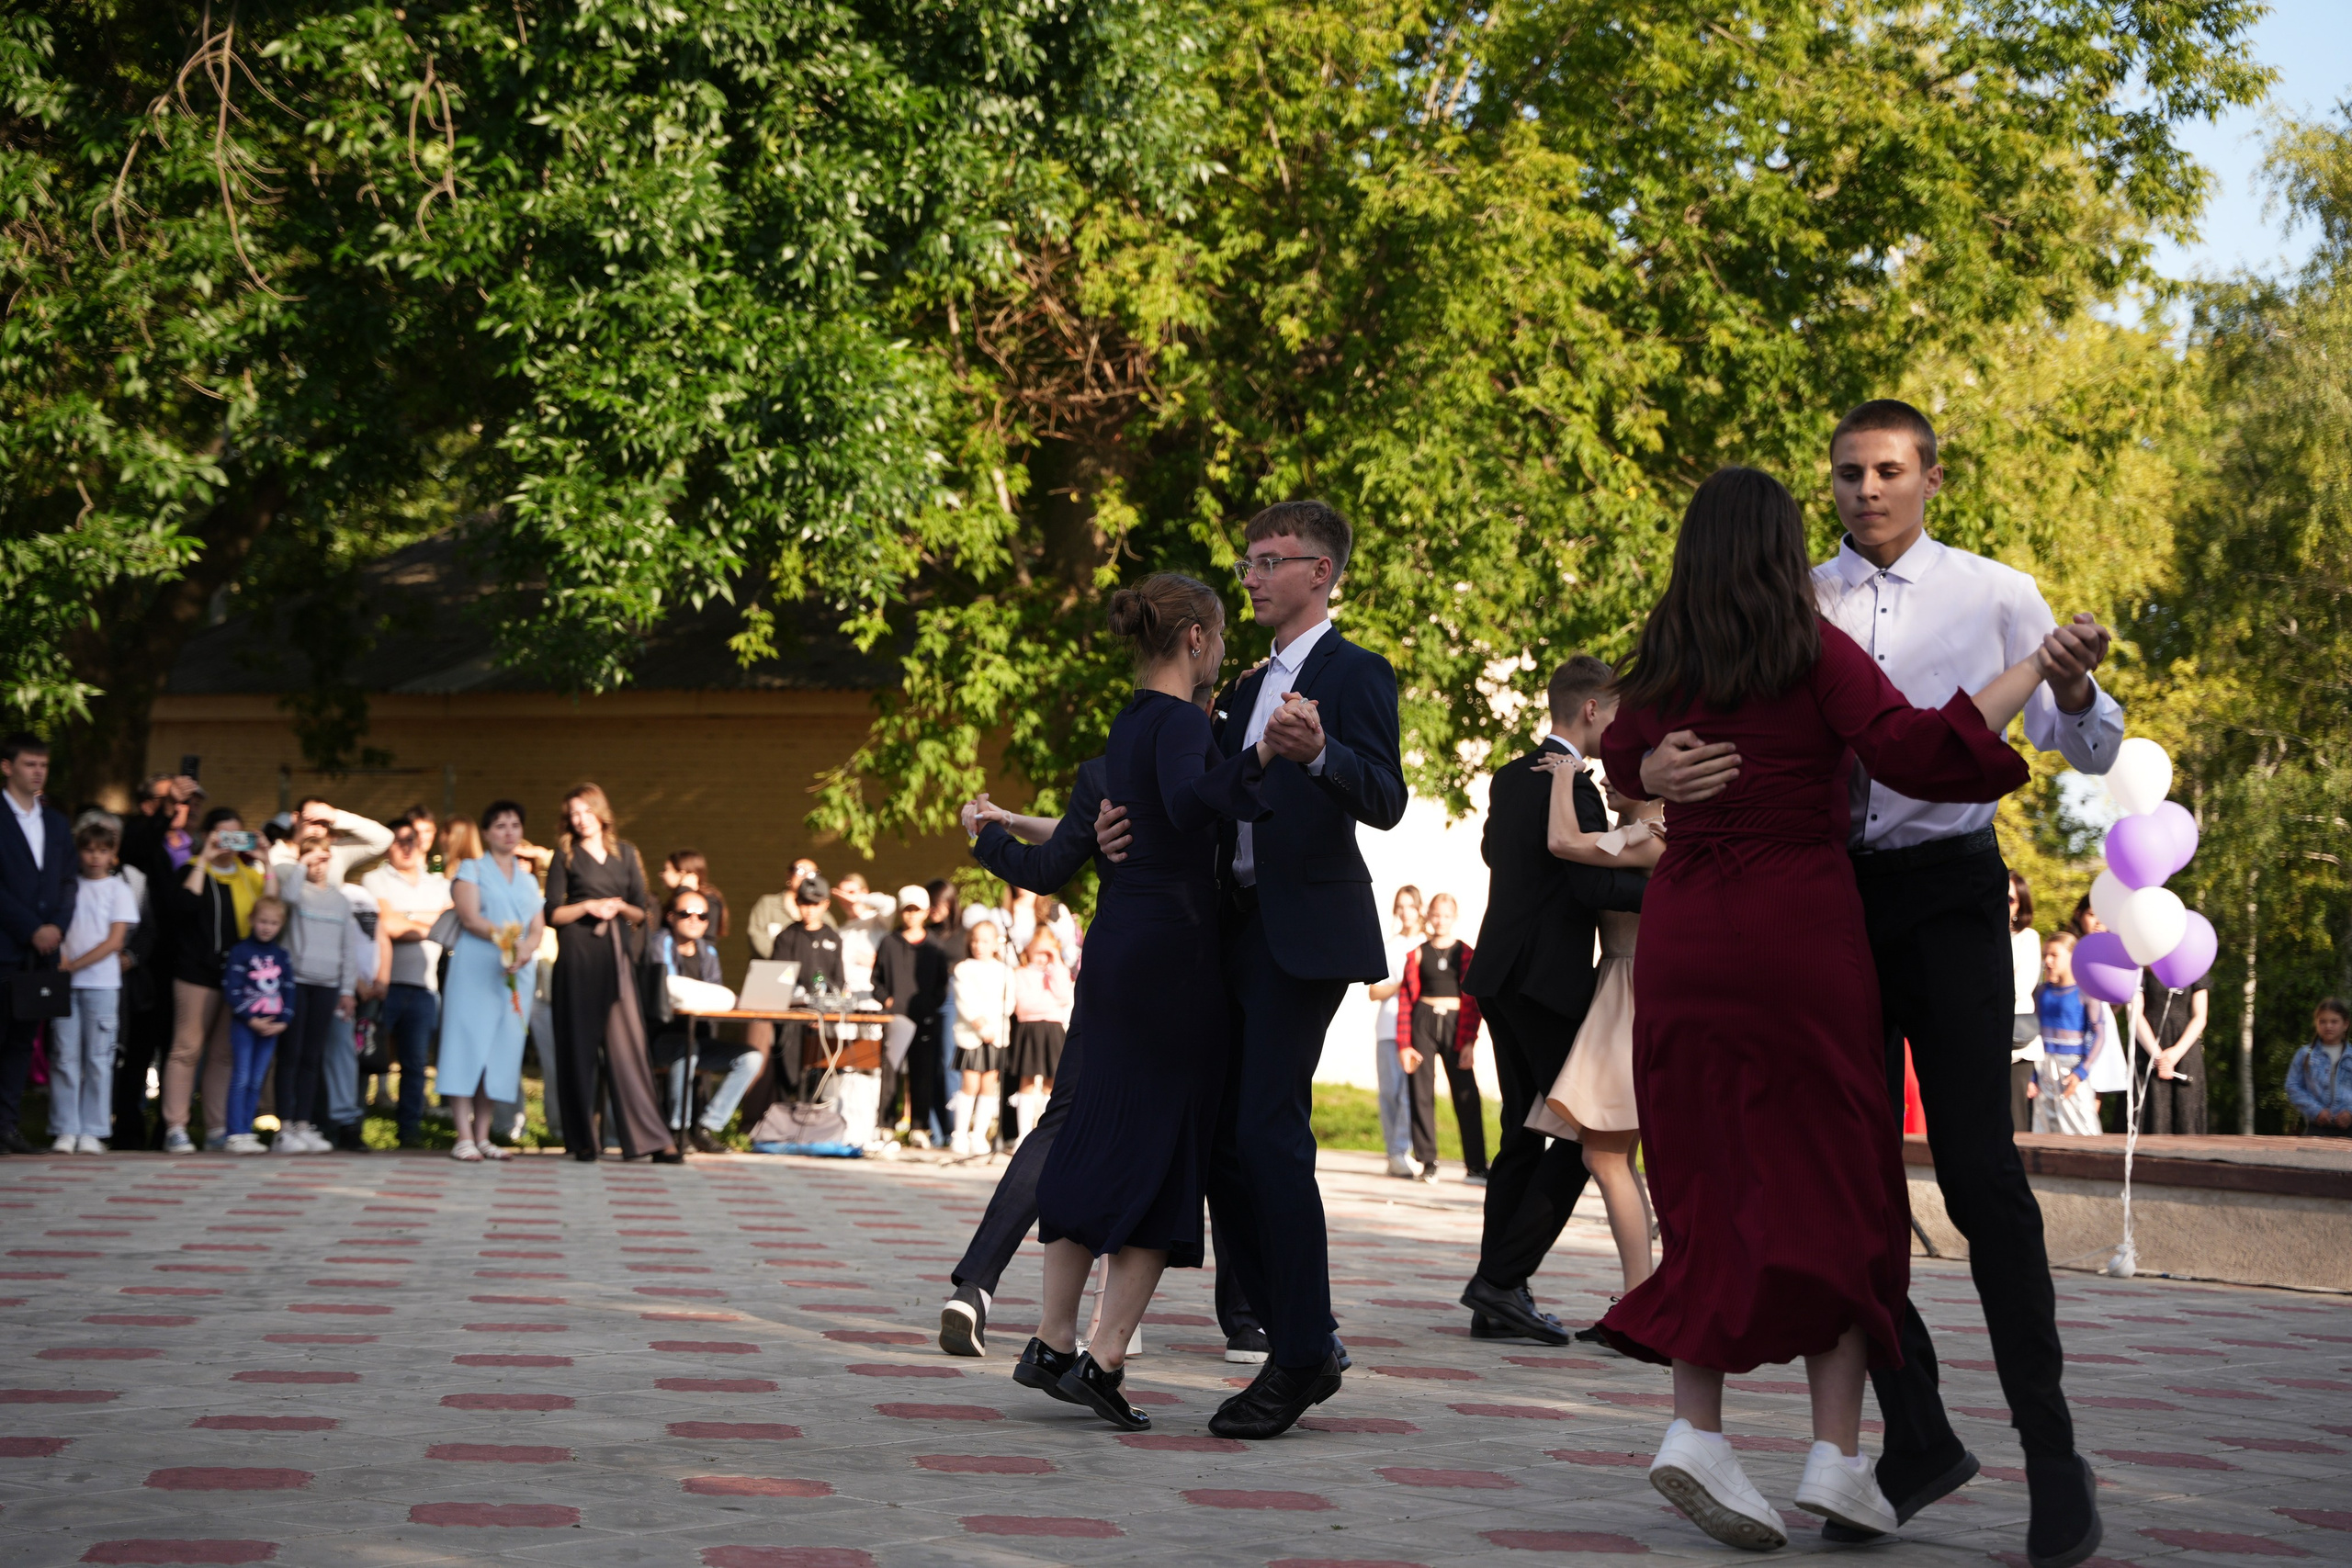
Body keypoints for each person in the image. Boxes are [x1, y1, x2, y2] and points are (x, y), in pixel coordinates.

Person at [1643, 408, 2119, 1567]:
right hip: (1823, 902)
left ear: (1929, 479)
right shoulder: (1782, 597)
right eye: (1849, 474)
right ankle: (1909, 1440)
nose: (1868, 491)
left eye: (1889, 472)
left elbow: (2090, 749)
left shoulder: (1999, 593)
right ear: (1829, 485)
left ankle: (2050, 1459)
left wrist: (2067, 683)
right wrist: (1644, 768)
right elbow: (1663, 718)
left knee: (1977, 1177)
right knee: (1838, 1182)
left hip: (1950, 896)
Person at [1077, 502, 1402, 1442]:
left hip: (1302, 931)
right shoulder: (1248, 682)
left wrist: (1324, 752)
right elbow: (1199, 800)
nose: (1251, 577)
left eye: (1270, 561)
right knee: (1227, 1141)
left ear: (1321, 574)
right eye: (1248, 561)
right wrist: (1099, 831)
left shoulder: (1357, 673)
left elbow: (1384, 796)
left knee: (1265, 1131)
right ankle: (1300, 1335)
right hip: (1228, 928)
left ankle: (1302, 1349)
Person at [1014, 571, 1267, 1432]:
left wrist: (985, 835)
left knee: (1094, 1132)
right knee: (1166, 1148)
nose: (1225, 653)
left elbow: (1080, 850)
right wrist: (1264, 760)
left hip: (1120, 947)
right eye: (1222, 638)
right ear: (1196, 639)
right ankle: (1104, 1356)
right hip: (1174, 955)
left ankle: (1051, 1339)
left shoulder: (1128, 721)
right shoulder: (1178, 722)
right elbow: (1194, 804)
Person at [1459, 655, 1647, 1345]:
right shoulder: (1579, 790)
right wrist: (1675, 888)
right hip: (1549, 984)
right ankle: (1502, 1280)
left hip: (1500, 976)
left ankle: (1494, 1295)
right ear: (1592, 709)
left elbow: (1491, 852)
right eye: (1619, 713)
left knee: (1520, 1132)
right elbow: (1593, 889)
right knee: (1579, 1137)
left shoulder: (1511, 775)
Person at [1524, 752, 1667, 1324]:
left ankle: (1643, 1300)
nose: (1605, 777)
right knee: (1612, 1154)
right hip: (1622, 987)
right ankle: (1643, 1295)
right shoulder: (1642, 834)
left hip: (1634, 992)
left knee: (1606, 1153)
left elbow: (1562, 841)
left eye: (1621, 767)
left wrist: (1564, 774)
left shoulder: (1654, 836)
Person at [546, 784, 671, 1161]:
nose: (580, 820)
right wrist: (589, 906)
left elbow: (642, 912)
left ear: (601, 812)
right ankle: (584, 1139)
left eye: (586, 811)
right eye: (574, 814)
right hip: (577, 957)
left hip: (616, 957)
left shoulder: (627, 854)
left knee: (628, 1047)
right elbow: (552, 913)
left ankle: (649, 1140)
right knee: (578, 1048)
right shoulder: (564, 856)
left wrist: (616, 908)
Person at [161, 808, 267, 1153]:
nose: (229, 845)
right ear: (207, 836)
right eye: (222, 836)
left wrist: (265, 859)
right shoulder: (191, 870)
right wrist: (204, 860)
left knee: (224, 1054)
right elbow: (182, 908)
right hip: (196, 972)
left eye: (237, 836)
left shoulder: (248, 875)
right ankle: (175, 1126)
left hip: (236, 976)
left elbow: (271, 909)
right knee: (186, 1049)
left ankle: (216, 1127)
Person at [442, 800, 543, 1162]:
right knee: (466, 1043)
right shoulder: (472, 868)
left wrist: (526, 950)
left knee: (498, 1049)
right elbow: (470, 918)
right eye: (500, 825)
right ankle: (463, 1135)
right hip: (477, 966)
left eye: (515, 825)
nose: (509, 832)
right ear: (486, 833)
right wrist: (509, 942)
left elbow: (537, 926)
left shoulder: (529, 878)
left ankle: (484, 1136)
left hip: (516, 971)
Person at [0, 732, 74, 1154]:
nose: (38, 772)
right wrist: (31, 926)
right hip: (6, 945)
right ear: (7, 767)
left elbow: (67, 882)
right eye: (30, 764)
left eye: (43, 765)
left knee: (21, 1041)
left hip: (41, 954)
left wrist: (56, 927)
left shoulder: (56, 823)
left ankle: (7, 1125)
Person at [50, 819, 139, 1153]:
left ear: (113, 854)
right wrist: (62, 961)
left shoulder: (119, 889)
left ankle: (94, 1129)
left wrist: (73, 964)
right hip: (66, 984)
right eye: (88, 850)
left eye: (103, 850)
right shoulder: (68, 886)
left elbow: (115, 941)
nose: (95, 857)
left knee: (99, 1057)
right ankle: (65, 1127)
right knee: (64, 1055)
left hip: (101, 984)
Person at [268, 827, 359, 1154]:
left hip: (327, 985)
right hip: (296, 982)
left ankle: (304, 1124)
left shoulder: (340, 901)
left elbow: (349, 949)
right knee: (290, 1054)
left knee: (312, 1056)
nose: (320, 866)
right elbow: (288, 895)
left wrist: (347, 990)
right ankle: (285, 1127)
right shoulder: (297, 890)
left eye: (325, 859)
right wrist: (302, 863)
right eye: (313, 859)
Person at [361, 820, 451, 1149]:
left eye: (412, 840)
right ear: (389, 846)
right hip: (383, 984)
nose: (406, 846)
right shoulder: (374, 878)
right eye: (399, 841)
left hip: (424, 987)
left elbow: (447, 924)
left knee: (415, 1065)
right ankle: (352, 1127)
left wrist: (406, 917)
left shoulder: (440, 883)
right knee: (367, 1059)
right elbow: (386, 924)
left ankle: (409, 1133)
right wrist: (428, 920)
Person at [1395, 892, 1485, 1183]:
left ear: (1454, 918)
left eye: (1446, 915)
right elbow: (1407, 1001)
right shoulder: (1418, 953)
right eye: (1435, 914)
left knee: (1466, 1093)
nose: (1440, 920)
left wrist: (1470, 1040)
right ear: (1428, 915)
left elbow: (1473, 999)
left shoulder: (1466, 953)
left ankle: (1476, 1166)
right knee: (1420, 1092)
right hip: (1423, 1020)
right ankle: (1428, 1162)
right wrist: (1404, 1044)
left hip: (1457, 1024)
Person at [873, 886, 949, 1145]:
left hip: (925, 1018)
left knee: (922, 1072)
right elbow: (877, 981)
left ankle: (919, 1127)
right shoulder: (889, 943)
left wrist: (930, 1004)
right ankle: (886, 1124)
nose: (911, 915)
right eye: (907, 909)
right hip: (895, 1017)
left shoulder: (935, 947)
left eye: (916, 910)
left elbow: (943, 984)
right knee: (890, 1070)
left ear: (926, 912)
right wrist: (887, 1000)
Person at [220, 897, 293, 1155]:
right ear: (252, 920)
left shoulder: (281, 955)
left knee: (257, 1079)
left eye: (273, 923)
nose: (267, 927)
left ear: (281, 925)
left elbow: (288, 989)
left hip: (272, 1027)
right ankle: (233, 1133)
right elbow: (231, 989)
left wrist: (283, 1022)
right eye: (263, 921)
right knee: (241, 1077)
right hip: (245, 1025)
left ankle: (246, 1131)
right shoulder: (240, 951)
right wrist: (250, 1018)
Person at [1365, 886, 1424, 1179]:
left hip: (1418, 1029)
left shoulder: (1427, 944)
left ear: (1419, 908)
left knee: (1410, 1095)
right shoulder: (1389, 946)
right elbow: (1374, 991)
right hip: (1389, 1028)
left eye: (1409, 906)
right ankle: (1394, 1153)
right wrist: (1404, 985)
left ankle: (1404, 1151)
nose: (1404, 912)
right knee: (1390, 1093)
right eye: (1399, 906)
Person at [949, 919, 1014, 1156]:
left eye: (985, 941)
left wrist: (993, 1027)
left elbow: (1009, 1002)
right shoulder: (964, 968)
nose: (978, 945)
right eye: (975, 940)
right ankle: (960, 1134)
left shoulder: (1005, 970)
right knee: (970, 1084)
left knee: (989, 1085)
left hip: (995, 1035)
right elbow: (964, 1000)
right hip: (972, 1034)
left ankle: (979, 1136)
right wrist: (980, 1024)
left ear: (995, 944)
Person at [2031, 933, 2107, 1136]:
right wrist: (2033, 1075)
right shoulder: (2040, 992)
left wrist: (2083, 1070)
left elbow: (2099, 1034)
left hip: (2072, 1068)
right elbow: (2034, 1032)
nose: (2048, 960)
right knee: (2046, 1124)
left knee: (2082, 1124)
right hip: (2044, 1066)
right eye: (2045, 955)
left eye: (2054, 955)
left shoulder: (2085, 991)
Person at [1007, 931, 1073, 1147]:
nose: (1042, 957)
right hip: (1029, 1029)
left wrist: (1057, 962)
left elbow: (1064, 996)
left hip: (1053, 1029)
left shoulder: (1056, 972)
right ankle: (1023, 1134)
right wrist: (1049, 1003)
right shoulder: (1021, 973)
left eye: (1048, 953)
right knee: (1026, 1080)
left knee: (1052, 1082)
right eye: (1038, 951)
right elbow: (1024, 1005)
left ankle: (1047, 1134)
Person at [2134, 965, 2210, 1135]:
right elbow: (2135, 1015)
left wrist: (2176, 1052)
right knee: (2149, 1115)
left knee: (2186, 1115)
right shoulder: (2140, 967)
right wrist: (2158, 1056)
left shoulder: (2195, 964)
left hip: (2185, 1051)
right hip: (2147, 1049)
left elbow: (2200, 1017)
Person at [272, 795, 394, 879]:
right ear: (296, 819)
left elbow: (385, 838)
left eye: (324, 823)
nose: (318, 829)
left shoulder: (335, 853)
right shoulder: (273, 856)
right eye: (312, 821)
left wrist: (336, 816)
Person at [2008, 873, 2045, 1134]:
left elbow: (2021, 989)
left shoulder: (2027, 937)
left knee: (2014, 1122)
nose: (2002, 903)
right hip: (1978, 1042)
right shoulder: (1976, 936)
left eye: (2009, 899)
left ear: (2020, 905)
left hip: (2014, 1045)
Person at [2285, 998, 2351, 1135]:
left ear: (2345, 1024)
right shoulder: (2305, 1055)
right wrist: (2316, 1111)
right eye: (2323, 1021)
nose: (2328, 1026)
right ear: (2316, 1024)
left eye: (2334, 1021)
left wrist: (2350, 1112)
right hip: (2317, 1128)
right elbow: (2292, 1086)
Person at [662, 850, 729, 938]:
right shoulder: (675, 897)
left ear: (682, 874)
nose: (662, 874)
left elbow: (708, 938)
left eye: (666, 870)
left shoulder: (709, 900)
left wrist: (685, 890)